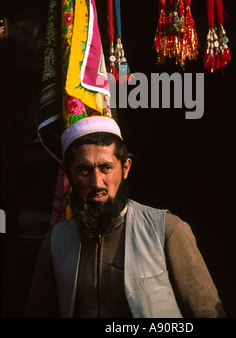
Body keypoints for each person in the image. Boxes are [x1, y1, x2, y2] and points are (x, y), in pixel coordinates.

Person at [24, 116, 225, 318]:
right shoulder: (55, 241)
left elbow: (208, 314)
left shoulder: (166, 231)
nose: (97, 183)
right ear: (68, 175)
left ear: (125, 168)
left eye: (106, 168)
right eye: (84, 170)